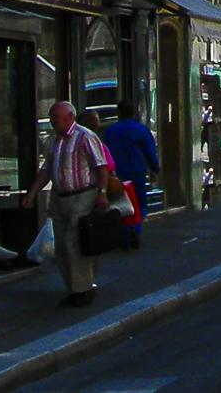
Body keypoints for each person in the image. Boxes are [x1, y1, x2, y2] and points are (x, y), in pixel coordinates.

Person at [23, 101, 112, 306]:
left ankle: (83, 289)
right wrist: (33, 193)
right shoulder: (54, 141)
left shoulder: (85, 136)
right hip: (61, 196)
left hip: (83, 193)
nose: (52, 121)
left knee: (74, 241)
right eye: (51, 116)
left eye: (56, 116)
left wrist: (102, 194)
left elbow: (101, 166)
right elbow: (47, 170)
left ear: (69, 117)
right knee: (62, 245)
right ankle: (75, 286)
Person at [103, 104, 159, 250]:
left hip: (118, 173)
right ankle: (134, 228)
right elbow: (150, 151)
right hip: (137, 171)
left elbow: (105, 154)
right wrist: (155, 170)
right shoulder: (141, 130)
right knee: (138, 203)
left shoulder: (110, 131)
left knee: (119, 204)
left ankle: (124, 232)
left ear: (119, 113)